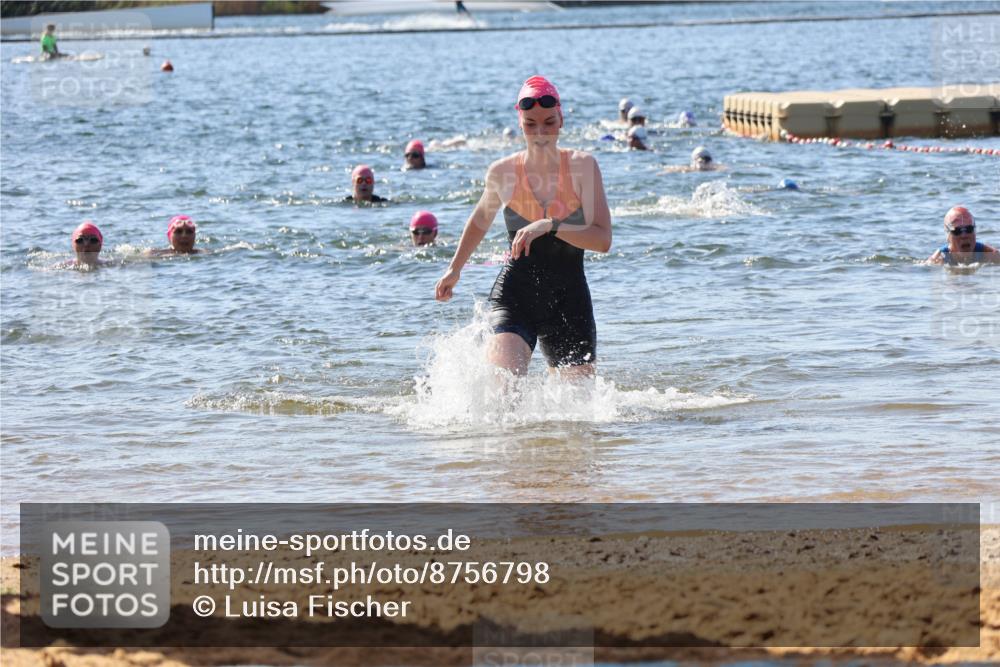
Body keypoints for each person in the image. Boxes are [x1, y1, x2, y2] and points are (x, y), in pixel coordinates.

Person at [435, 76, 612, 378]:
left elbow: (602, 240)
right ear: (520, 124)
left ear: (561, 120)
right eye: (531, 124)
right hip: (516, 295)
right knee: (503, 391)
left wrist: (551, 226)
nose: (541, 133)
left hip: (570, 299)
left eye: (549, 122)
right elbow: (480, 220)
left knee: (578, 416)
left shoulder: (583, 167)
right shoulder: (503, 172)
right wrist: (455, 268)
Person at [927, 206, 998, 265]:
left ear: (975, 232)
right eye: (957, 231)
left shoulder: (990, 254)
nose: (964, 236)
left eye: (969, 229)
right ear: (948, 237)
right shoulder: (940, 258)